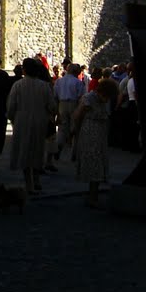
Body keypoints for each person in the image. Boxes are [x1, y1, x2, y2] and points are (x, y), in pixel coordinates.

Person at [7, 57, 56, 195]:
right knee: (37, 149)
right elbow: (52, 106)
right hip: (40, 122)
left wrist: (12, 118)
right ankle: (36, 179)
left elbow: (11, 106)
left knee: (25, 151)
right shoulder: (44, 86)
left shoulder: (18, 85)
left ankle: (29, 183)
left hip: (22, 122)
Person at [73, 78, 118, 207]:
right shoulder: (89, 98)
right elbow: (77, 116)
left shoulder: (102, 101)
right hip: (90, 134)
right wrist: (76, 132)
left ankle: (94, 194)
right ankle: (92, 197)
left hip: (100, 134)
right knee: (94, 163)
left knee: (99, 163)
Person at [54, 62, 85, 159]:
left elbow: (55, 96)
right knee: (76, 128)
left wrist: (56, 111)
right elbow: (81, 97)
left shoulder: (59, 81)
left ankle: (59, 146)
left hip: (62, 104)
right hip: (74, 104)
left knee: (62, 128)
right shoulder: (78, 82)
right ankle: (74, 153)